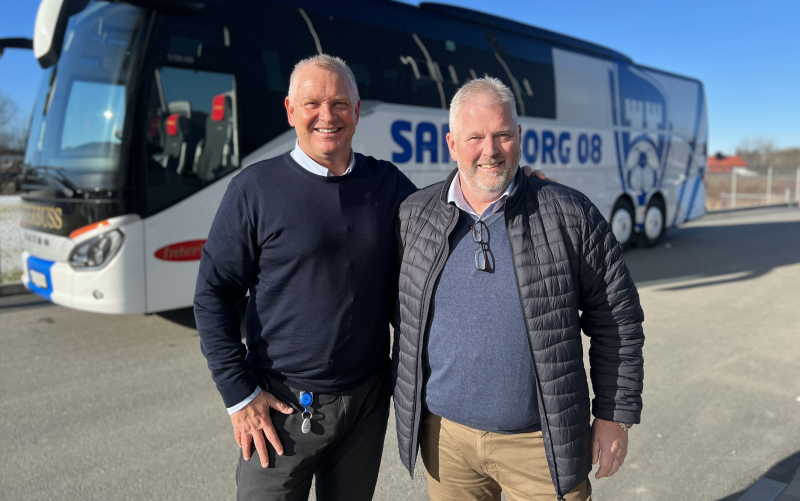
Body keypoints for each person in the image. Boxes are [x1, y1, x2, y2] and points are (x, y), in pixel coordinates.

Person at [194, 55, 547, 500]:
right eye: (312, 104)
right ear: (290, 111)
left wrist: (516, 180)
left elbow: (462, 199)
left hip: (365, 405)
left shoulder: (388, 185)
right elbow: (213, 294)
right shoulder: (254, 189)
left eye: (340, 103)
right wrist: (239, 395)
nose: (328, 116)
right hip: (280, 408)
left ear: (357, 111)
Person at [391, 78, 645, 501]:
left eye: (502, 135)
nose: (490, 150)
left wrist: (613, 414)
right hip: (446, 442)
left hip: (539, 447)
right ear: (452, 143)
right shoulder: (414, 216)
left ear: (519, 138)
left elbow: (616, 318)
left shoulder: (568, 212)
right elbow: (397, 311)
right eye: (475, 137)